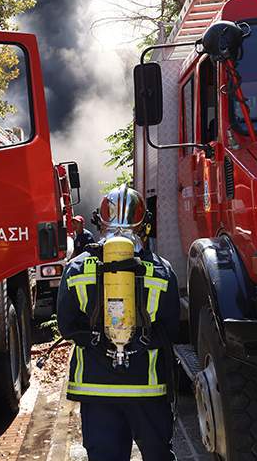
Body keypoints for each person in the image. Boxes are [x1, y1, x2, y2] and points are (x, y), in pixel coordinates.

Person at [57, 185, 180, 461]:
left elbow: (66, 326)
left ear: (100, 221)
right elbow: (172, 329)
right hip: (147, 389)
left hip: (95, 389)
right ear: (144, 224)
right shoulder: (162, 270)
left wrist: (98, 342)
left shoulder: (76, 268)